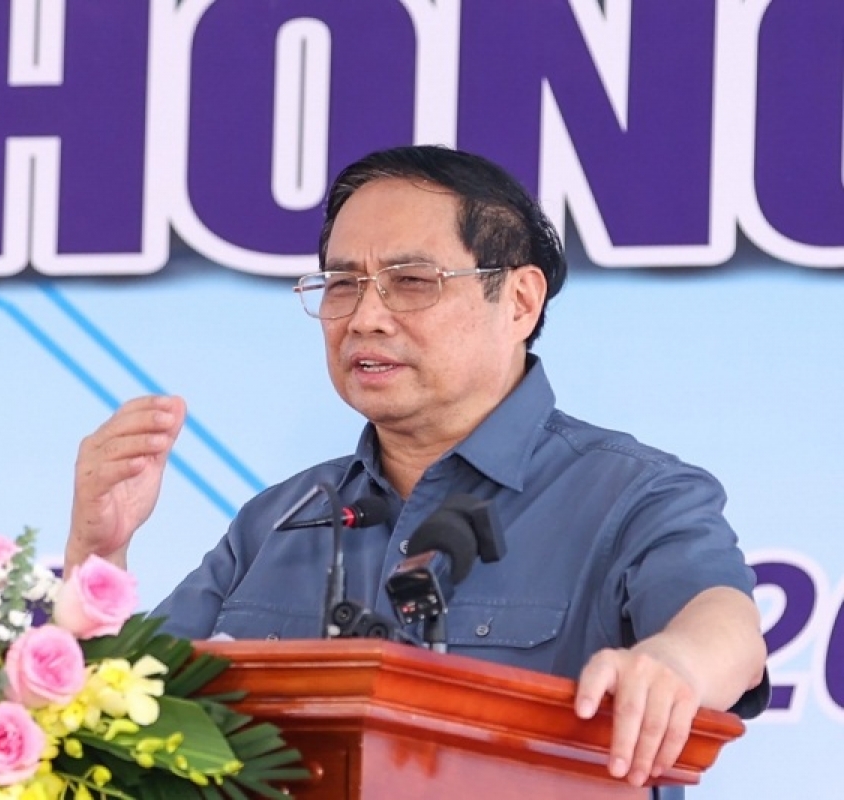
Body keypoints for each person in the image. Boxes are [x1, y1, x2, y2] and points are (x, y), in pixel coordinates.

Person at [64, 145, 768, 796]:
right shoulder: (279, 520)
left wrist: (675, 665)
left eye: (410, 282)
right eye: (343, 284)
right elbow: (126, 714)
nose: (365, 317)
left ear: (520, 301)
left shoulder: (632, 494)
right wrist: (99, 553)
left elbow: (728, 629)